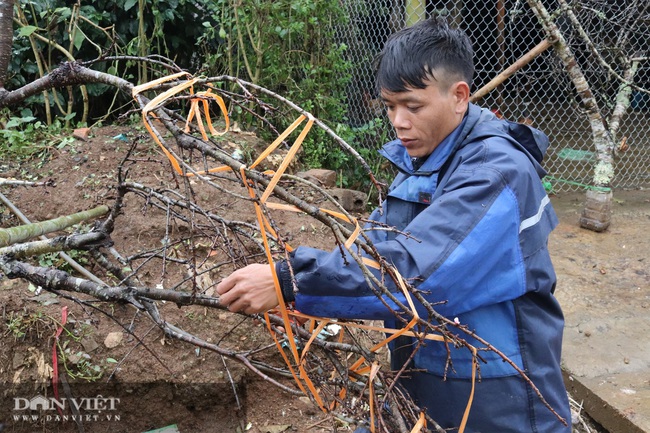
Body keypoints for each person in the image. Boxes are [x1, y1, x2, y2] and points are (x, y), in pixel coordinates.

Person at [217, 17, 571, 433]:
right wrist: (306, 303)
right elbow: (373, 249)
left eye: (413, 106)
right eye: (389, 106)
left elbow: (419, 273)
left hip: (498, 396)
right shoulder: (425, 160)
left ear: (459, 96)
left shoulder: (496, 172)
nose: (398, 121)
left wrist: (290, 280)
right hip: (424, 376)